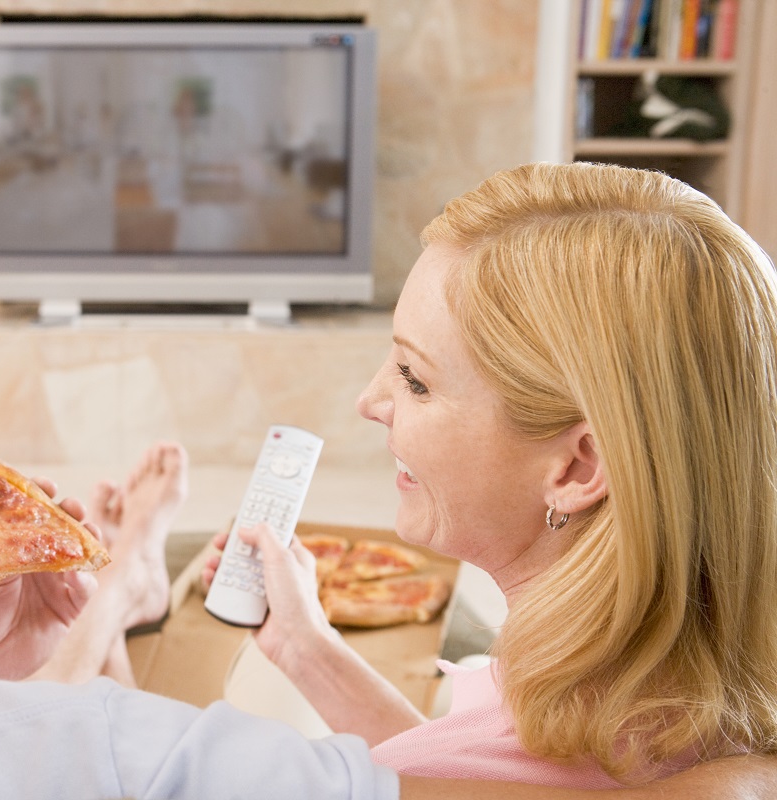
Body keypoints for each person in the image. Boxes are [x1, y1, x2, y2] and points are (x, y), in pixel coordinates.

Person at [0, 160, 774, 800]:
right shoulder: (83, 755)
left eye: (412, 377)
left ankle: (123, 589)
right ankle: (122, 591)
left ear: (579, 463)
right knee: (109, 642)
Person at [205, 161, 777, 787]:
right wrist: (305, 644)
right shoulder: (683, 698)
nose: (370, 401)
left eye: (416, 380)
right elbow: (463, 771)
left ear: (579, 466)